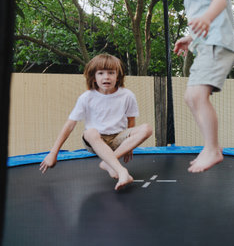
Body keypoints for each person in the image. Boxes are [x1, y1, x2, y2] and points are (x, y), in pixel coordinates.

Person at [162, 0, 234, 172]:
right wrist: (191, 38)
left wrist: (206, 18)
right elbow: (209, 17)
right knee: (190, 96)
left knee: (197, 95)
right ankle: (211, 147)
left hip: (218, 45)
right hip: (208, 45)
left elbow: (219, 0)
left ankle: (212, 148)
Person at [39, 54, 153, 190]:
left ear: (118, 76)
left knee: (147, 128)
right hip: (95, 141)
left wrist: (130, 146)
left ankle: (108, 162)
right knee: (90, 132)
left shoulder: (127, 95)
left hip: (118, 138)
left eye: (111, 73)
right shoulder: (86, 98)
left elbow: (131, 121)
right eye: (101, 73)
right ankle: (121, 171)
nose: (106, 77)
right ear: (93, 77)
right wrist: (53, 153)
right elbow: (70, 125)